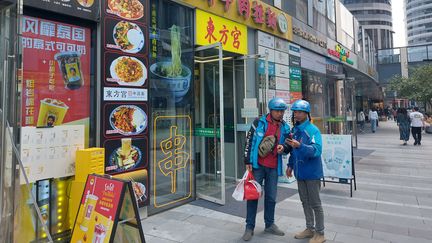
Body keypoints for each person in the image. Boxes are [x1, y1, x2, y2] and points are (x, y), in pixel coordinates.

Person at [242, 97, 291, 241]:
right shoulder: (259, 123)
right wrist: (247, 160)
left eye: (282, 111)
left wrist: (285, 148)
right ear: (271, 110)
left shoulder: (285, 127)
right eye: (277, 111)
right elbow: (249, 141)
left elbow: (288, 146)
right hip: (257, 166)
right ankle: (249, 227)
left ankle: (269, 224)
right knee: (253, 196)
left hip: (273, 168)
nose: (280, 114)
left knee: (271, 197)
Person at [285, 100, 325, 243]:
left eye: (300, 112)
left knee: (315, 203)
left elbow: (317, 150)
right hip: (300, 173)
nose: (297, 114)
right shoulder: (294, 130)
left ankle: (320, 233)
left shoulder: (313, 130)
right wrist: (290, 165)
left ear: (307, 113)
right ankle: (310, 228)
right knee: (304, 201)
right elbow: (292, 150)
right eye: (295, 112)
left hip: (312, 173)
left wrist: (301, 146)